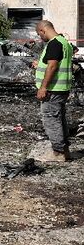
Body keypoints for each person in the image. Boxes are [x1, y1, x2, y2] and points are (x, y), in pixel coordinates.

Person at [33, 20, 74, 161]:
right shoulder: (64, 42)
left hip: (52, 90)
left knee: (51, 120)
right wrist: (39, 65)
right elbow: (53, 62)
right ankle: (65, 151)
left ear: (43, 30)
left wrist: (43, 87)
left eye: (39, 34)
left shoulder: (54, 43)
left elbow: (52, 67)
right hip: (62, 89)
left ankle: (58, 153)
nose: (40, 37)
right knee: (60, 119)